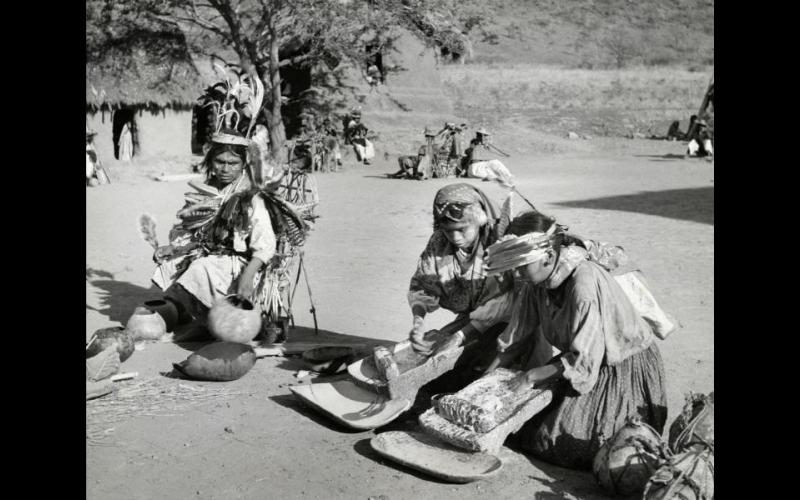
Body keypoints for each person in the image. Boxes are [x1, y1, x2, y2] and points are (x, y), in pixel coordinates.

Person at [481, 210, 668, 470]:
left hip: (620, 367)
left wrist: (530, 376)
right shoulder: (535, 282)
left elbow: (584, 362)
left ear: (547, 256)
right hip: (580, 358)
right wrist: (482, 382)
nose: (517, 274)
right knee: (522, 423)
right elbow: (515, 336)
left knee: (560, 443)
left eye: (521, 266)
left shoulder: (583, 285)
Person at [150, 129, 282, 331]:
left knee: (200, 268)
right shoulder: (206, 191)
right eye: (220, 161)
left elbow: (265, 245)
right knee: (169, 263)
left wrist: (248, 275)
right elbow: (192, 228)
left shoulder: (251, 197)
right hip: (207, 249)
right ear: (211, 161)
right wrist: (175, 247)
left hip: (239, 260)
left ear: (244, 164)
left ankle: (209, 322)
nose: (225, 169)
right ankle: (191, 313)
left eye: (233, 163)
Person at [406, 184, 518, 394]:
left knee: (491, 385)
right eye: (448, 230)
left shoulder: (499, 243)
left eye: (462, 229)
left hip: (511, 326)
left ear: (479, 221)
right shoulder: (440, 242)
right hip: (472, 319)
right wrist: (418, 322)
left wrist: (459, 336)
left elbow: (507, 303)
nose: (455, 237)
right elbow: (423, 283)